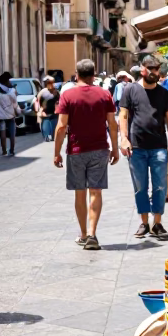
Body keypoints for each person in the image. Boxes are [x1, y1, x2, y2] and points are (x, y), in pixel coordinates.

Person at [54, 58, 119, 251]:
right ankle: (92, 233)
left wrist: (56, 152)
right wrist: (115, 148)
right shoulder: (104, 94)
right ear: (94, 74)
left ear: (76, 75)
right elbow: (112, 124)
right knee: (96, 191)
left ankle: (83, 234)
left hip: (76, 150)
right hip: (99, 149)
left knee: (79, 192)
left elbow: (61, 126)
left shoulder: (68, 95)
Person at [118, 53, 168, 240]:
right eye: (150, 68)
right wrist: (124, 139)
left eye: (156, 69)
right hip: (137, 148)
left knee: (160, 186)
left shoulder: (164, 93)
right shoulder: (130, 90)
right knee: (140, 187)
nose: (153, 72)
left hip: (159, 146)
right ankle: (144, 223)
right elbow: (123, 115)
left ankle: (157, 223)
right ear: (142, 69)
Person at [35, 75, 59, 141]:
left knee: (54, 131)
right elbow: (37, 102)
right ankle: (47, 136)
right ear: (46, 84)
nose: (51, 84)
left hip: (54, 114)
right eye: (49, 83)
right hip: (45, 115)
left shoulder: (56, 92)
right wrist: (39, 111)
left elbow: (59, 102)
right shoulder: (42, 92)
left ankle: (52, 136)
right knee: (47, 132)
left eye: (52, 83)